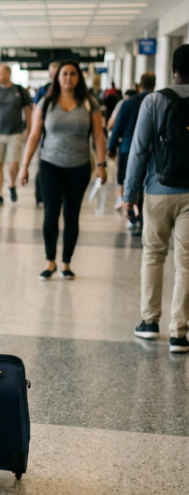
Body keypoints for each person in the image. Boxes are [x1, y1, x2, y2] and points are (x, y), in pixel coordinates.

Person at [124, 44, 189, 353]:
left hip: (158, 190)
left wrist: (129, 193)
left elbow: (139, 150)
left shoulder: (154, 100)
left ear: (173, 69)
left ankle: (149, 322)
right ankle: (180, 333)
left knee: (153, 255)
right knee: (186, 263)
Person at [18, 60, 106, 280]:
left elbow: (98, 136)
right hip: (50, 165)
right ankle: (50, 262)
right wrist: (24, 165)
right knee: (50, 214)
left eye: (72, 74)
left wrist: (102, 165)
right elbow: (34, 135)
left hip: (80, 166)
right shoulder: (46, 102)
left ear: (79, 77)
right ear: (57, 78)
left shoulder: (89, 102)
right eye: (64, 74)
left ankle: (66, 263)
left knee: (71, 215)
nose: (68, 78)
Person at [0, 63, 32, 206]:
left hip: (15, 132)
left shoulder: (19, 90)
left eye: (0, 74)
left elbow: (28, 110)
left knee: (14, 163)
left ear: (8, 74)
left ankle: (12, 184)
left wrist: (29, 128)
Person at [108, 72, 155, 226]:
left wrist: (112, 146)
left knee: (129, 180)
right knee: (145, 184)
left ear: (139, 85)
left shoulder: (128, 103)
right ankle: (143, 217)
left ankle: (132, 219)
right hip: (150, 149)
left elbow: (118, 126)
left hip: (127, 147)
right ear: (154, 85)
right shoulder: (157, 101)